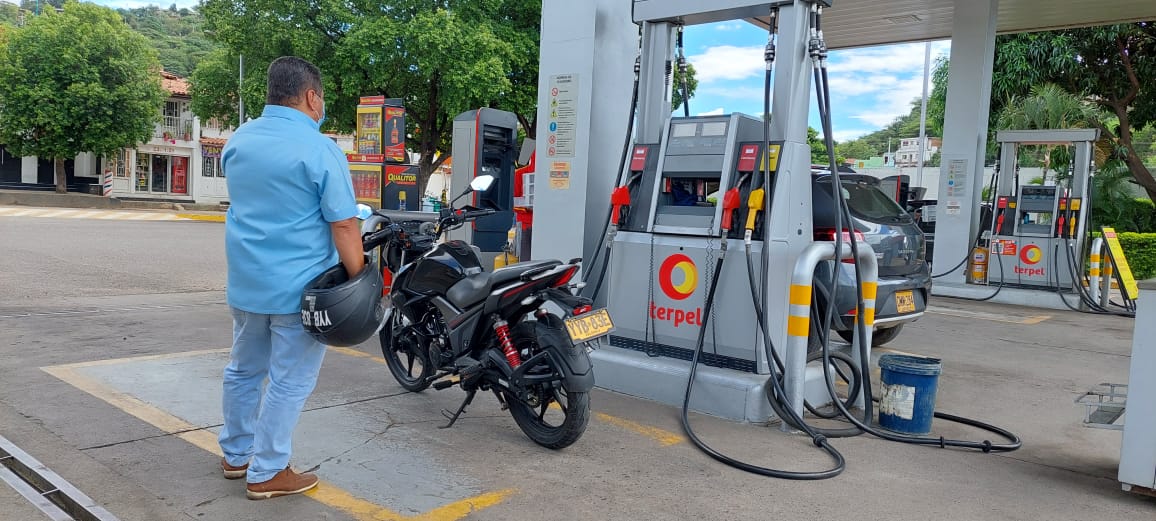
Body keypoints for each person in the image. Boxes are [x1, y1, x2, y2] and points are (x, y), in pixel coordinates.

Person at [217, 56, 365, 500]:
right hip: (299, 293)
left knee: (243, 370)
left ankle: (236, 456)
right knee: (290, 380)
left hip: (246, 283)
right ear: (311, 96)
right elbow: (343, 224)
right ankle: (268, 471)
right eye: (321, 100)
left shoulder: (239, 140)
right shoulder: (320, 148)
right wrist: (360, 280)